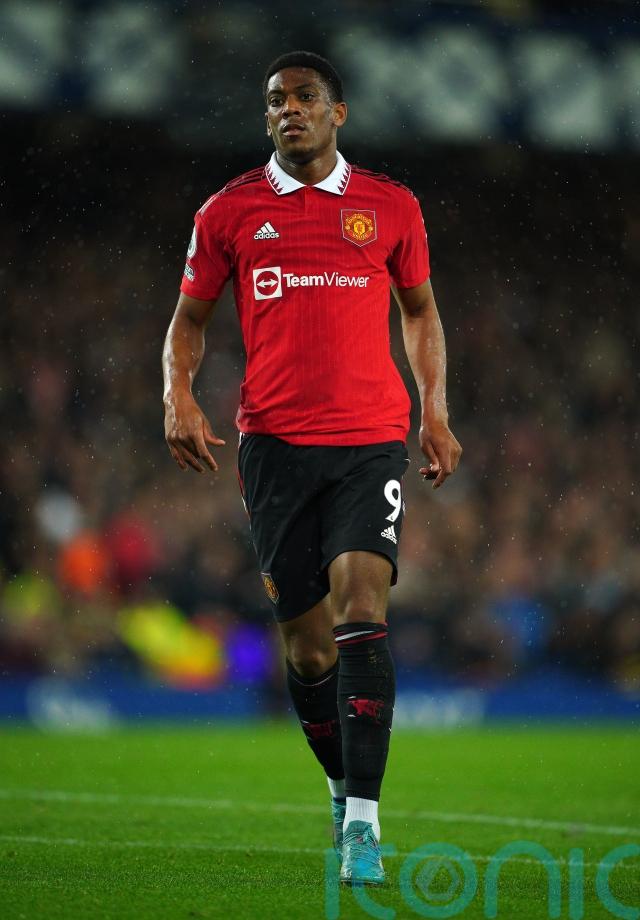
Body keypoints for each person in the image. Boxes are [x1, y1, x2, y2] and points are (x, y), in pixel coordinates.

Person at [162, 50, 462, 885]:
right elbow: (187, 320)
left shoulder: (390, 207)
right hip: (273, 447)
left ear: (338, 112)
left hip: (370, 440)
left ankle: (364, 822)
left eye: (304, 97)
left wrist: (435, 410)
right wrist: (176, 395)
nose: (287, 109)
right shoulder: (228, 211)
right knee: (306, 650)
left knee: (363, 606)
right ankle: (339, 787)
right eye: (275, 100)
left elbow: (421, 312)